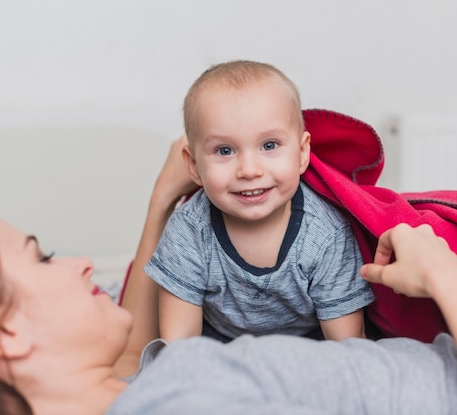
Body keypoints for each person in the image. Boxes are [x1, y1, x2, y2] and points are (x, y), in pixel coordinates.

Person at [0, 137, 457, 415]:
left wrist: (162, 198)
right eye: (41, 255)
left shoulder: (137, 390)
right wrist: (451, 281)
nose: (78, 261)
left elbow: (132, 353)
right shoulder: (183, 400)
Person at [143, 60, 374, 343]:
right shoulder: (189, 230)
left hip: (307, 353)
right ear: (193, 166)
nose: (250, 170)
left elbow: (347, 346)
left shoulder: (327, 235)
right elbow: (180, 347)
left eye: (269, 145)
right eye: (225, 150)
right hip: (219, 351)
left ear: (302, 153)